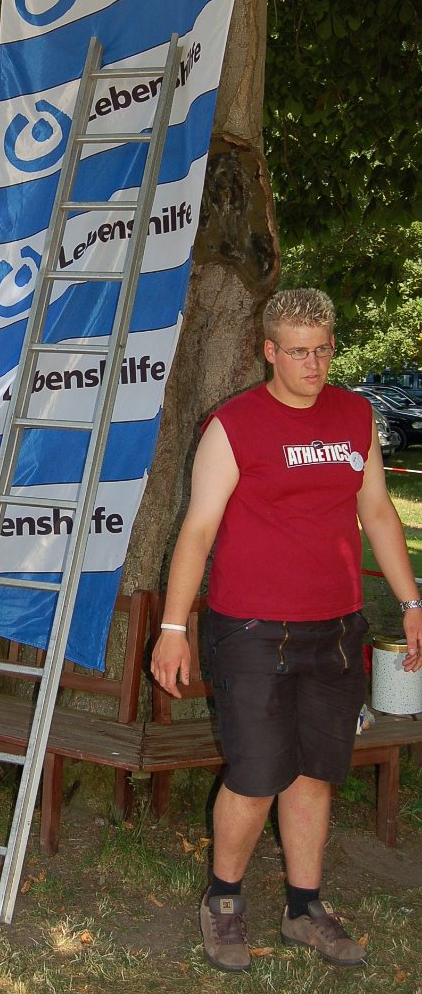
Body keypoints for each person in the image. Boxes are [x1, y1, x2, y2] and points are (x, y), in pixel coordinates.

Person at [150, 288, 422, 973]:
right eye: (298, 351)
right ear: (268, 350)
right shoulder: (234, 424)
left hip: (334, 628)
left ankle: (304, 909)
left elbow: (381, 514)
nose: (314, 364)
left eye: (323, 349)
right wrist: (174, 627)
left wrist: (411, 602)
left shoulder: (355, 415)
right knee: (256, 773)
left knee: (314, 774)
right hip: (249, 628)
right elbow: (199, 529)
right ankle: (223, 902)